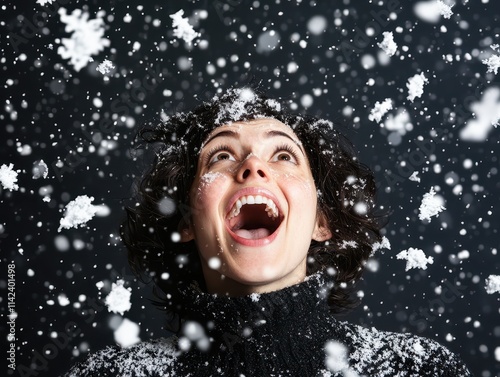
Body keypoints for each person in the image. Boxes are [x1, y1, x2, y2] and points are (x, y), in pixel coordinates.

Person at [63, 87, 472, 376]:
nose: (253, 167)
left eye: (283, 154)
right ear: (186, 220)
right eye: (221, 155)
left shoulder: (415, 369)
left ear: (321, 222)